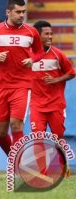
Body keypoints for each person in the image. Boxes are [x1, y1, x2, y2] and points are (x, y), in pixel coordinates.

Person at [0, 0, 44, 156]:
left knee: (16, 125)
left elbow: (39, 52)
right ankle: (14, 158)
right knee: (1, 133)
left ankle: (18, 164)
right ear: (8, 12)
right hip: (1, 87)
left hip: (22, 86)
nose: (22, 15)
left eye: (24, 12)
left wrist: (33, 59)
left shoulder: (31, 32)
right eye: (18, 12)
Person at [31, 20, 75, 176]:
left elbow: (71, 72)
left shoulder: (57, 54)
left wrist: (56, 80)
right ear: (37, 35)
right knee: (38, 138)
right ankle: (42, 172)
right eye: (46, 34)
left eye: (51, 34)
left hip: (56, 105)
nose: (50, 36)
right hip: (36, 105)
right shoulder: (29, 55)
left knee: (58, 138)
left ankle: (63, 167)